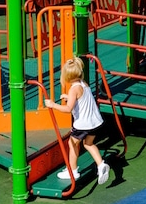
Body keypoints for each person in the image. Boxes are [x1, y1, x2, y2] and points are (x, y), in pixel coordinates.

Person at [44, 56, 110, 185]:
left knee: (72, 143)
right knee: (88, 144)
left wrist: (52, 105)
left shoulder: (73, 89)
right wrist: (68, 97)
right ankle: (101, 164)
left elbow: (68, 109)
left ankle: (73, 171)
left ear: (66, 77)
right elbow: (81, 99)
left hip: (83, 124)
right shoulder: (83, 84)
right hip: (95, 122)